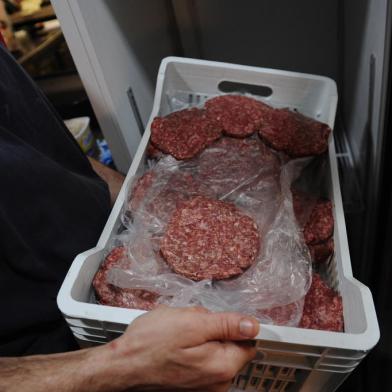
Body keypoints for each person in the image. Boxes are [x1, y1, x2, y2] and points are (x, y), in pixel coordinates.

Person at [0, 35, 259, 391]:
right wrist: (118, 364)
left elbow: (42, 156)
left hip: (122, 277)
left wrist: (139, 196)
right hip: (63, 360)